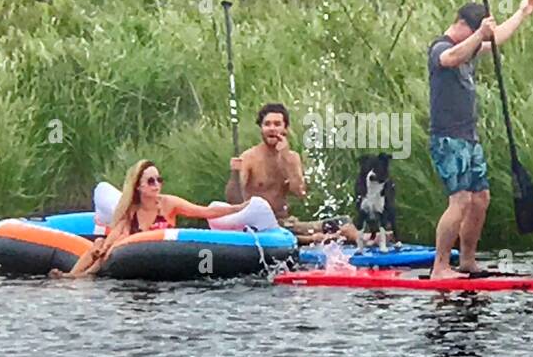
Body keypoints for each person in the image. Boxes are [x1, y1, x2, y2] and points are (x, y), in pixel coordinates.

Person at [428, 0, 533, 279]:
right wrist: (481, 34)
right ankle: (440, 267)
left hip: (469, 137)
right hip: (448, 139)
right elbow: (450, 58)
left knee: (481, 198)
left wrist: (522, 12)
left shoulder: (472, 45)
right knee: (460, 200)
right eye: (476, 31)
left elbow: (497, 38)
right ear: (463, 24)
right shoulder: (441, 46)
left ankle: (467, 261)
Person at [52, 160, 248, 278]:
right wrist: (102, 247)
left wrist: (238, 208)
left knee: (110, 243)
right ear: (139, 186)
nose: (156, 185)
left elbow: (205, 212)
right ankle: (75, 276)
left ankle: (82, 276)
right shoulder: (131, 211)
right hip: (133, 254)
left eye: (159, 180)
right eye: (151, 181)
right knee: (104, 244)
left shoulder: (169, 204)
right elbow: (119, 234)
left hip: (163, 253)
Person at [229, 103, 363, 245]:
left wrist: (286, 158)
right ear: (261, 129)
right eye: (267, 124)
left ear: (285, 129)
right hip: (259, 225)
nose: (272, 129)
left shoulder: (292, 158)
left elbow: (300, 192)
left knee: (343, 222)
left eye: (277, 124)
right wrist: (234, 174)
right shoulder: (249, 158)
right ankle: (315, 240)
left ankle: (366, 245)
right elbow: (233, 200)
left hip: (285, 223)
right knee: (299, 237)